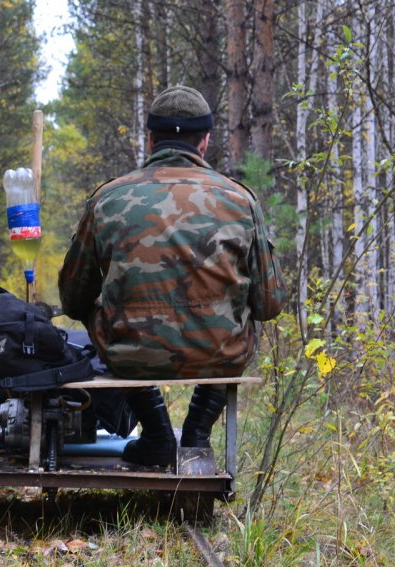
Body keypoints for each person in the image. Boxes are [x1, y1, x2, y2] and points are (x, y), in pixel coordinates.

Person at [58, 85, 287, 467]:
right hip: (220, 354)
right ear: (205, 141)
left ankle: (157, 432)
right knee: (244, 319)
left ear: (150, 139)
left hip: (130, 355)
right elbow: (269, 304)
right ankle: (197, 433)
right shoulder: (240, 200)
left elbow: (72, 298)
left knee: (95, 308)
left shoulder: (108, 198)